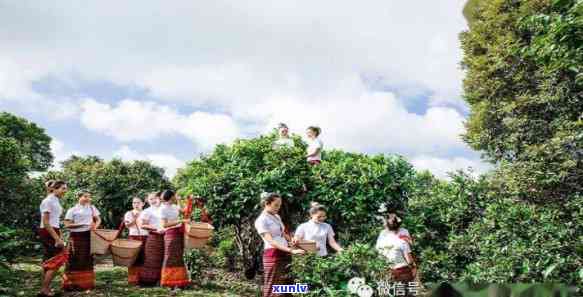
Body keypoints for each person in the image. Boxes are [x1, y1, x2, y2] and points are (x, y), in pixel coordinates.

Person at [255, 192, 305, 297]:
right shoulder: (261, 220)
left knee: (286, 285)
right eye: (276, 205)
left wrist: (291, 241)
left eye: (279, 205)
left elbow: (283, 233)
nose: (278, 208)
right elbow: (271, 241)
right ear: (266, 203)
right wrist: (292, 250)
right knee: (272, 286)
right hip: (273, 255)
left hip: (285, 253)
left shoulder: (276, 216)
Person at [62, 190, 101, 291]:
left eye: (89, 197)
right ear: (79, 197)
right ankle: (72, 284)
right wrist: (82, 224)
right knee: (74, 258)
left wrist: (94, 227)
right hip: (76, 236)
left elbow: (98, 219)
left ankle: (86, 284)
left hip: (89, 235)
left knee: (87, 258)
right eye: (85, 196)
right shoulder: (72, 210)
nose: (88, 199)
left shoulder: (92, 208)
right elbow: (67, 225)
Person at [38, 180, 67, 297]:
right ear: (54, 189)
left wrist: (59, 235)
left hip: (54, 230)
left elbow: (55, 220)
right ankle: (44, 289)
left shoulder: (55, 200)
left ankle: (45, 289)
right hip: (48, 231)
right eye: (63, 188)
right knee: (57, 259)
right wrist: (57, 239)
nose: (65, 191)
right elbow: (45, 222)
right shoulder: (48, 201)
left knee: (49, 260)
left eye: (65, 188)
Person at [159, 190, 190, 288]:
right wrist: (180, 220)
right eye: (174, 197)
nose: (174, 198)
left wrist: (181, 200)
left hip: (178, 233)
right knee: (170, 257)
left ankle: (179, 281)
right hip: (170, 234)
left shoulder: (174, 206)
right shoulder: (162, 209)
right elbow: (164, 224)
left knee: (178, 257)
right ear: (171, 197)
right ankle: (168, 281)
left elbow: (184, 210)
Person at [375, 215, 417, 284]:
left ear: (386, 226)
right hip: (401, 270)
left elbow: (378, 251)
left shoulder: (382, 238)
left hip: (386, 269)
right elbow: (409, 259)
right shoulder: (401, 241)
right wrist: (414, 268)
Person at [138, 192, 165, 286]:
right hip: (153, 237)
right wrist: (156, 228)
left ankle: (163, 280)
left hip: (166, 237)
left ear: (159, 198)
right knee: (151, 259)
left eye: (155, 198)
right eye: (150, 199)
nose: (153, 201)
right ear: (147, 201)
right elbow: (142, 225)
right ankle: (148, 282)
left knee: (164, 259)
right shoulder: (147, 211)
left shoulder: (164, 209)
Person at [124, 197, 149, 285]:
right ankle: (133, 279)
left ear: (143, 204)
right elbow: (127, 225)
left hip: (145, 236)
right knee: (134, 257)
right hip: (134, 236)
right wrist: (135, 219)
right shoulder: (129, 213)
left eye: (138, 203)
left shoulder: (147, 212)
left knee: (144, 256)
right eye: (134, 203)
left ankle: (144, 278)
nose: (136, 205)